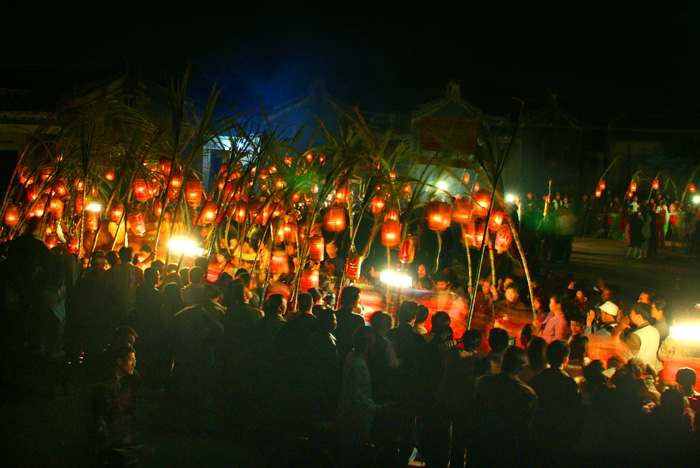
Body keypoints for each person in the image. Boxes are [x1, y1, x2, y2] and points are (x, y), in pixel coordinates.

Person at [469, 346, 537, 467]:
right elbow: (525, 427)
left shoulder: (483, 383)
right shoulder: (527, 393)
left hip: (481, 446)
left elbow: (474, 412)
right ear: (521, 367)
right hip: (507, 452)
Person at [335, 326, 388, 468]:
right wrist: (378, 408)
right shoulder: (359, 365)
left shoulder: (351, 357)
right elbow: (358, 397)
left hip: (347, 417)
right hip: (354, 420)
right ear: (368, 342)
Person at [92, 345, 150, 464]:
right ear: (119, 362)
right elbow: (108, 414)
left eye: (135, 361)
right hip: (109, 439)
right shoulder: (108, 385)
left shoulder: (123, 383)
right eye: (131, 360)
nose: (134, 364)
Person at [528, 340, 582, 464]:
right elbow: (575, 416)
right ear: (566, 359)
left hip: (537, 439)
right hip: (560, 442)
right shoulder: (570, 385)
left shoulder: (535, 381)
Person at [618, 302, 660, 371]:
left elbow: (626, 356)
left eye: (631, 313)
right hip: (651, 370)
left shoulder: (636, 335)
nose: (630, 316)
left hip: (638, 372)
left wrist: (621, 330)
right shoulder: (655, 330)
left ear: (638, 317)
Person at [334, 286, 366, 365]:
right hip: (349, 358)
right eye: (358, 298)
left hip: (332, 354)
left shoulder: (333, 315)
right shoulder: (358, 320)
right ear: (354, 301)